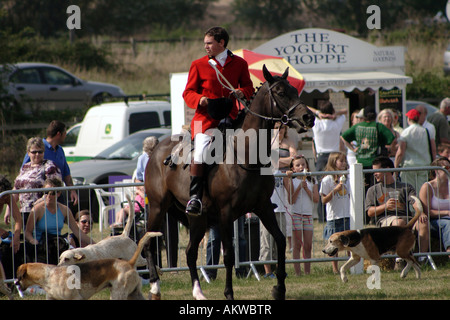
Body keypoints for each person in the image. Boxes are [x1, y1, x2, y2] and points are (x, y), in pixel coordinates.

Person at [182, 26, 254, 215]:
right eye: (205, 43)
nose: (205, 46)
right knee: (201, 151)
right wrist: (200, 99)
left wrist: (242, 92)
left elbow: (248, 87)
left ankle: (256, 194)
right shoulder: (198, 64)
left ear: (221, 43)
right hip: (204, 119)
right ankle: (195, 197)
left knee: (254, 146)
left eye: (209, 43)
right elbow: (187, 93)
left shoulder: (239, 64)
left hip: (229, 117)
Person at [365, 156, 429, 256]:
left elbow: (414, 201)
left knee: (423, 222)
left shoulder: (406, 187)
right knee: (399, 222)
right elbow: (370, 212)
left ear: (387, 170)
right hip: (386, 221)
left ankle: (421, 258)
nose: (374, 174)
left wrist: (420, 213)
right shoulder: (373, 190)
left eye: (377, 171)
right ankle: (398, 259)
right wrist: (385, 206)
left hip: (407, 219)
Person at [25, 177, 94, 260]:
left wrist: (95, 244)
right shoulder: (37, 210)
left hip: (57, 245)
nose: (49, 196)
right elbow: (27, 232)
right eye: (46, 192)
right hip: (41, 246)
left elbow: (77, 231)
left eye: (53, 193)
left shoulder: (65, 210)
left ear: (59, 193)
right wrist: (33, 240)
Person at [6, 137, 61, 226]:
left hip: (42, 212)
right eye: (34, 152)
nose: (37, 154)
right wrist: (9, 208)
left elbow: (54, 189)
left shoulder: (50, 166)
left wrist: (38, 204)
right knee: (27, 238)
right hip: (24, 211)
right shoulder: (24, 167)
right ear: (28, 153)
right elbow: (16, 188)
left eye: (40, 152)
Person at [22, 120, 78, 205]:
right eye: (65, 133)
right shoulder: (38, 148)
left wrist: (72, 191)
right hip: (39, 198)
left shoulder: (60, 150)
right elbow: (24, 171)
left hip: (58, 195)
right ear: (59, 134)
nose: (65, 136)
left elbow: (66, 173)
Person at [341, 106, 395, 189]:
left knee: (361, 188)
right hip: (375, 164)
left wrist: (352, 148)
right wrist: (390, 148)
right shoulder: (378, 126)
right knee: (374, 188)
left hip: (360, 163)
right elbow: (391, 138)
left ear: (364, 116)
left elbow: (343, 137)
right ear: (375, 115)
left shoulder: (357, 127)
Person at [283, 155, 319, 275]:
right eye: (297, 165)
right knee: (297, 244)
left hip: (308, 215)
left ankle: (307, 272)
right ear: (293, 169)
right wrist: (299, 187)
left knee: (308, 245)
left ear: (307, 166)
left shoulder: (312, 180)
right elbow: (291, 200)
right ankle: (298, 272)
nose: (301, 167)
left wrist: (307, 189)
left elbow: (316, 199)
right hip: (296, 214)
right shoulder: (292, 180)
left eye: (303, 164)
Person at [320, 152, 351, 274]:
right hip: (334, 216)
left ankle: (350, 266)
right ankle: (335, 268)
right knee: (334, 245)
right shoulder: (327, 179)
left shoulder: (348, 177)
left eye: (344, 161)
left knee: (349, 242)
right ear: (334, 162)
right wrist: (335, 190)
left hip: (347, 215)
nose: (343, 163)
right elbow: (323, 200)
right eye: (341, 161)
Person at [419, 157, 450, 259]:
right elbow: (427, 212)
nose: (449, 169)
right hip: (433, 222)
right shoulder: (427, 187)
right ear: (436, 170)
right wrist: (447, 212)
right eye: (447, 167)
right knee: (448, 224)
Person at [395, 109, 433, 192]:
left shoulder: (406, 132)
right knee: (422, 192)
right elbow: (432, 149)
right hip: (424, 165)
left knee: (409, 192)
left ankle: (412, 205)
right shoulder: (426, 131)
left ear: (408, 119)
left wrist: (396, 167)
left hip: (409, 166)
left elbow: (400, 152)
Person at [311, 101, 347, 172]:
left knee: (320, 180)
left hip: (321, 156)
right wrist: (335, 113)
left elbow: (306, 108)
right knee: (336, 179)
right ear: (332, 111)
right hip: (335, 156)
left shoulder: (317, 123)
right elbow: (346, 111)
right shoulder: (337, 123)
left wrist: (318, 113)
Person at [0, 175, 22, 254]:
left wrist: (16, 236)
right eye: (3, 197)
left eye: (6, 196)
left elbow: (18, 219)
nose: (5, 199)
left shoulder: (8, 196)